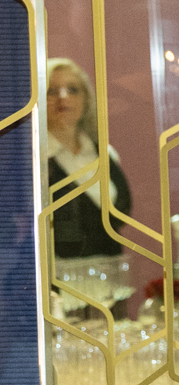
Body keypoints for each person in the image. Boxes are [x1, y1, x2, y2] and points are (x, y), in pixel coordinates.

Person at [43, 57, 133, 262]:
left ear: (86, 99)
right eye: (52, 91)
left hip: (111, 272)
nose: (63, 97)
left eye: (72, 90)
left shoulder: (105, 153)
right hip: (56, 276)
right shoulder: (33, 162)